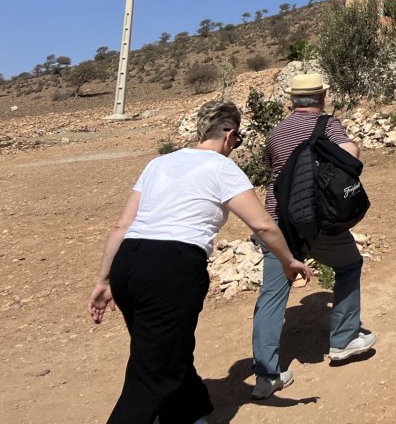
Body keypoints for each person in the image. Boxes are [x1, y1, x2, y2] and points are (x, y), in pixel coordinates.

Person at [88, 100, 314, 424]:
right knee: (151, 375)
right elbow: (263, 225)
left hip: (128, 262)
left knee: (167, 351)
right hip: (171, 269)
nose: (234, 146)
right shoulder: (222, 167)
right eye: (237, 141)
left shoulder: (158, 164)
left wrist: (104, 279)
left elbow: (121, 226)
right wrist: (288, 261)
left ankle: (189, 413)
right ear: (229, 134)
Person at [251, 73, 375, 400]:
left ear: (292, 100)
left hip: (277, 223)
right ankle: (344, 340)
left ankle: (266, 375)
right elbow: (349, 156)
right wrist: (354, 146)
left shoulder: (277, 132)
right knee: (349, 264)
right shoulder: (328, 125)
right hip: (316, 222)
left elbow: (273, 169)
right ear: (321, 97)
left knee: (272, 295)